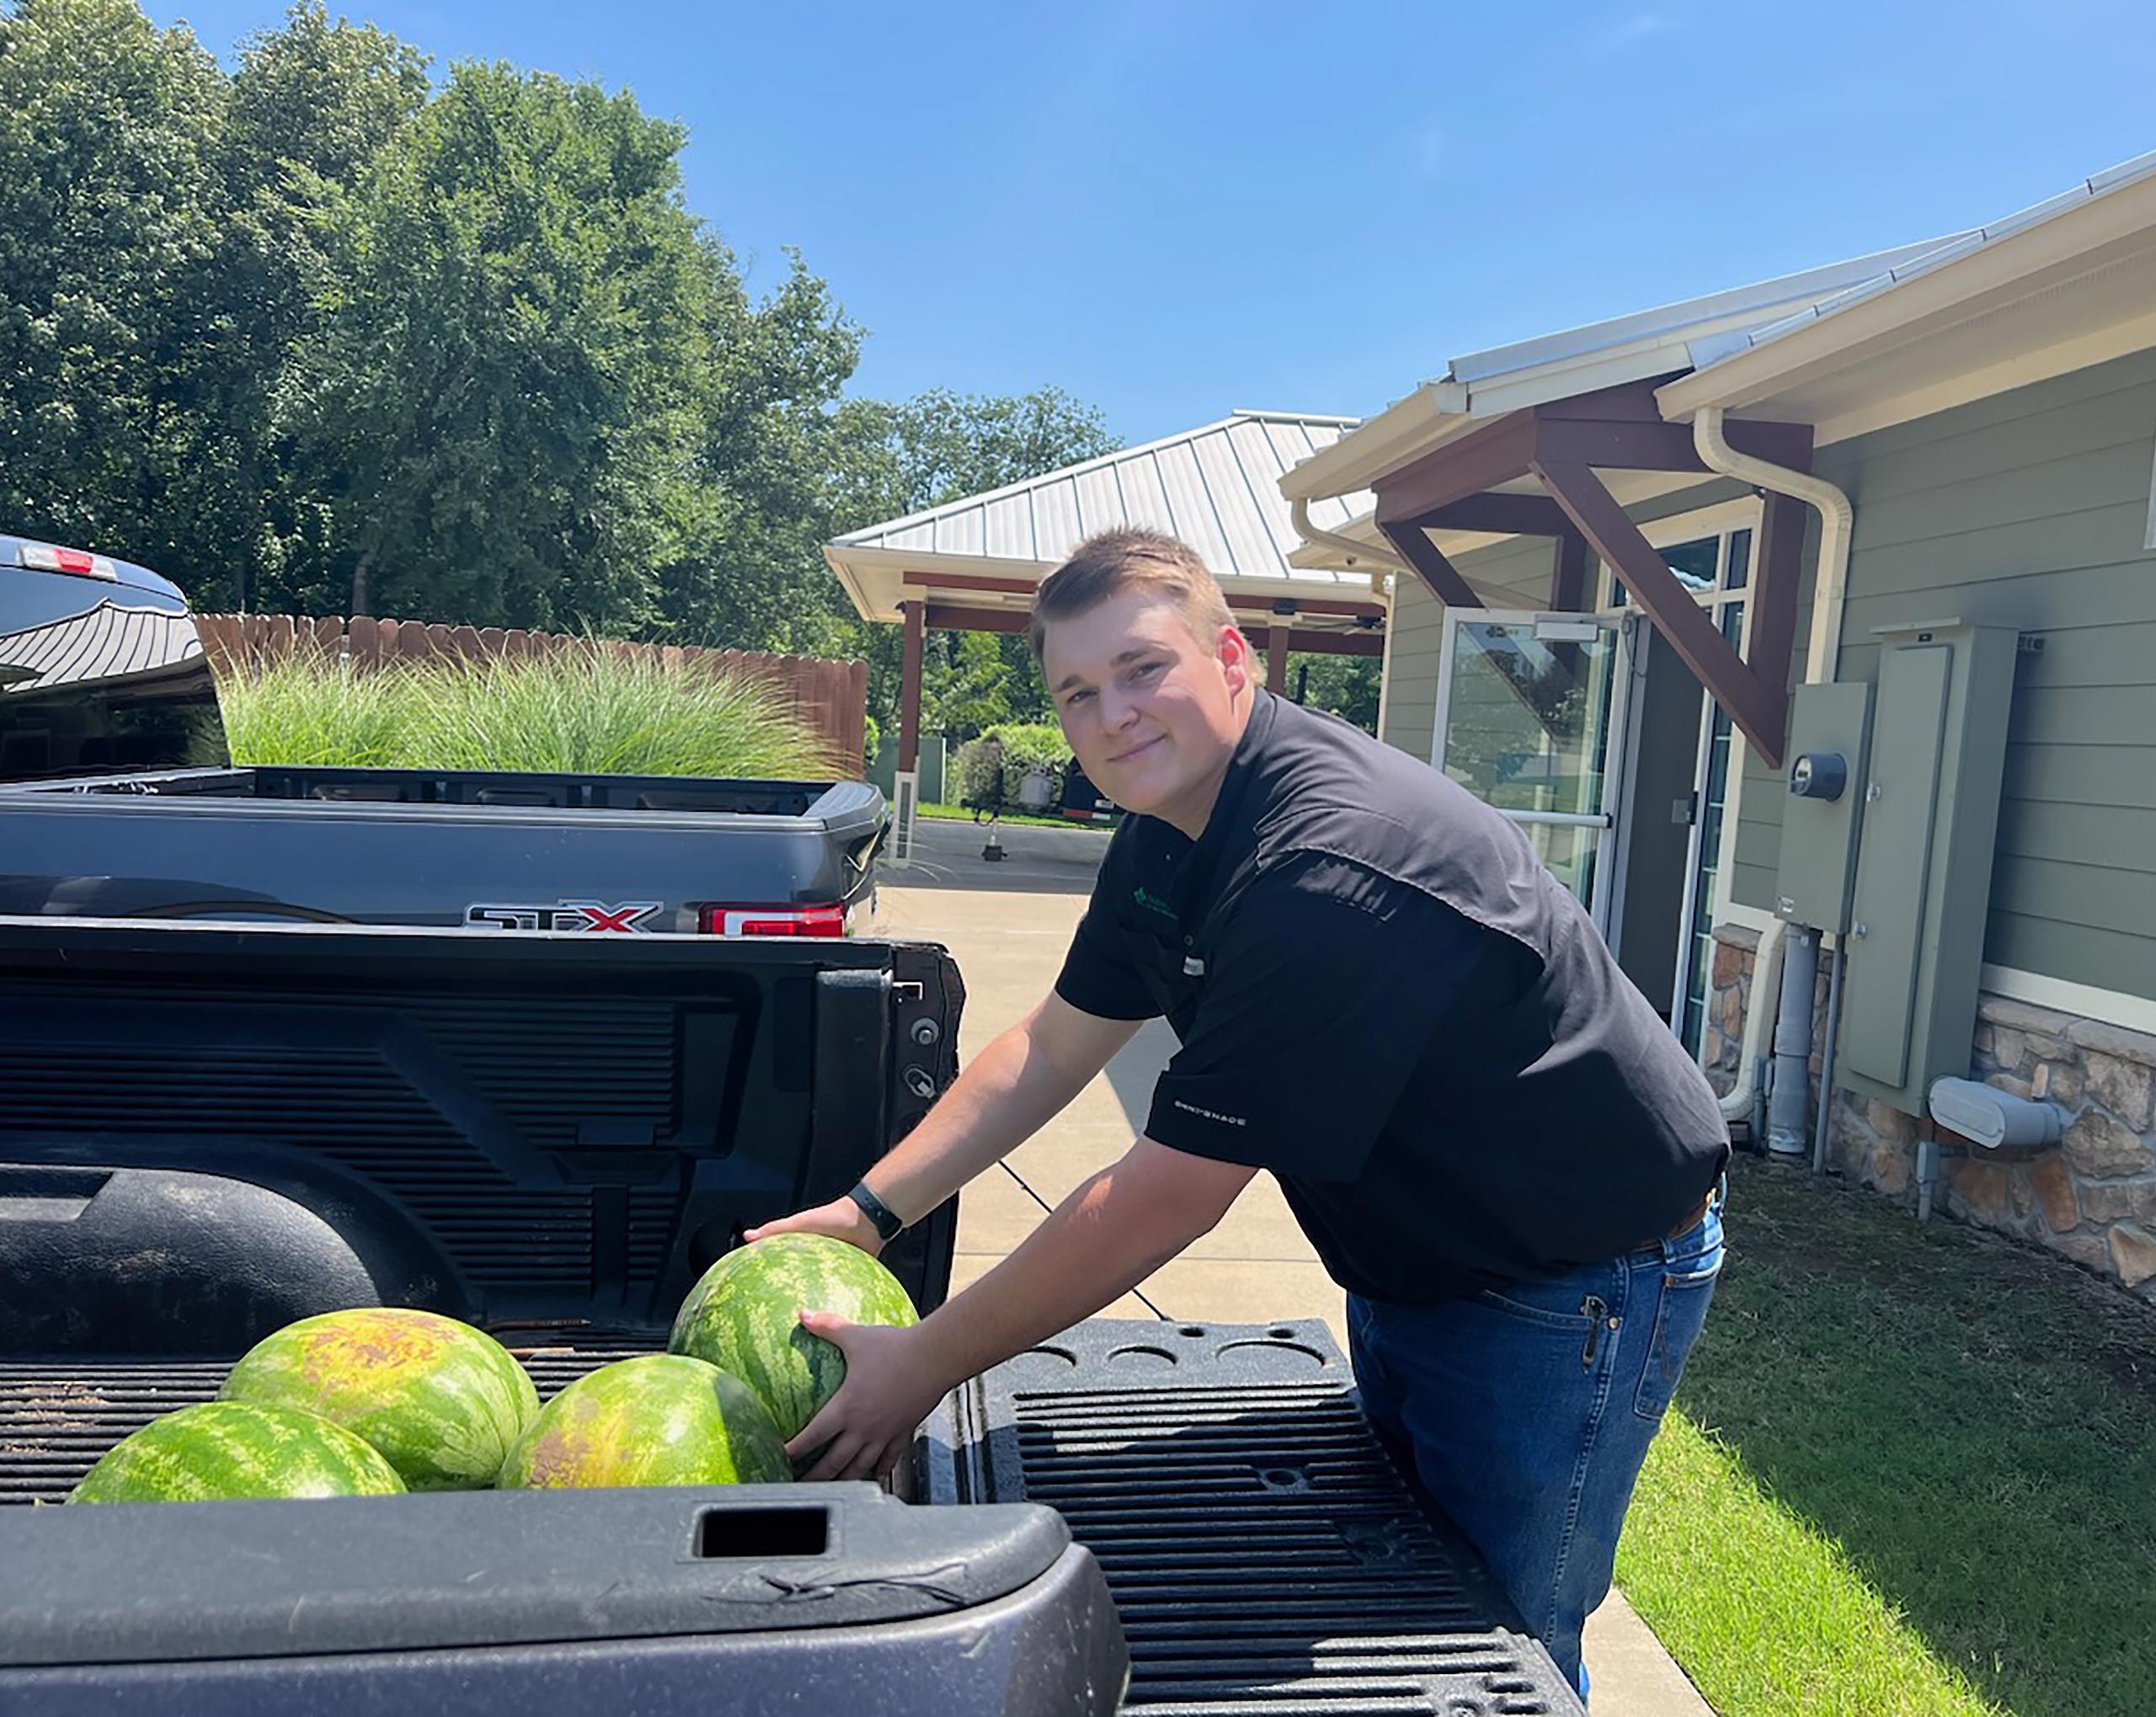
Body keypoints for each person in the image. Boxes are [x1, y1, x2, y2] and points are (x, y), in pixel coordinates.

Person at [748, 527, 1729, 1701]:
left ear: (1230, 658)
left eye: (1142, 668)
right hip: (1424, 1247)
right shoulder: (1167, 832)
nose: (1113, 713)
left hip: (1572, 1275)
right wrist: (870, 1211)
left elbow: (1162, 1200)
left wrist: (923, 1365)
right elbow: (1051, 1046)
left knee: (1496, 1622)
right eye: (1077, 692)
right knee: (1410, 1575)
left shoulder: (1324, 868)